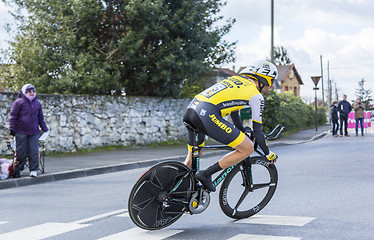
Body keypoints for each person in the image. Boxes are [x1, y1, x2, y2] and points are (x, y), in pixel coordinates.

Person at [183, 60, 278, 192]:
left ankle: (175, 190)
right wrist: (268, 154)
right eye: (271, 80)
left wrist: (242, 133)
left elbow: (234, 112)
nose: (272, 85)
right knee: (248, 148)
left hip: (192, 110)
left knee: (190, 161)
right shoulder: (256, 96)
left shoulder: (236, 81)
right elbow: (257, 131)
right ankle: (206, 174)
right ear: (263, 78)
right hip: (207, 115)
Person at [9, 84, 49, 178]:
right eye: (29, 91)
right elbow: (13, 117)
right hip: (20, 131)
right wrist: (12, 128)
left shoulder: (37, 104)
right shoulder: (18, 102)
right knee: (21, 152)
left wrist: (45, 129)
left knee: (34, 151)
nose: (32, 93)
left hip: (34, 132)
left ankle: (34, 170)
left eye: (33, 91)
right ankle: (19, 169)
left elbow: (40, 119)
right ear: (24, 92)